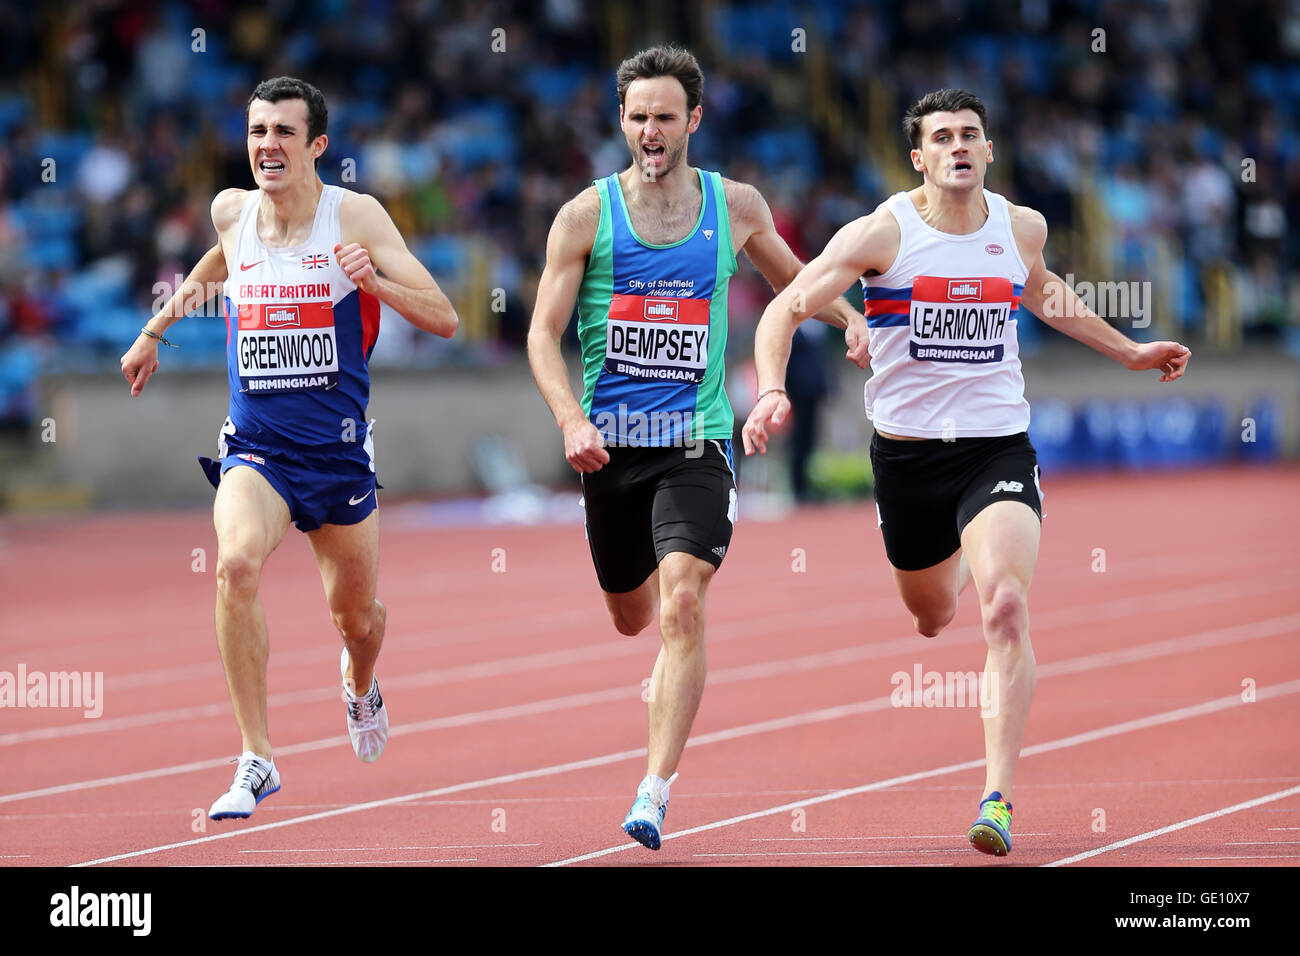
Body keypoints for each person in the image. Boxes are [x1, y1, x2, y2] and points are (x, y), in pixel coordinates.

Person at [742, 88, 1190, 856]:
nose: (957, 146)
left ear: (988, 151)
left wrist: (1131, 349)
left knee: (1005, 608)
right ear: (919, 157)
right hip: (908, 457)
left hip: (995, 447)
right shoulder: (883, 231)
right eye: (942, 136)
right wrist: (773, 388)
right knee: (931, 615)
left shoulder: (1021, 227)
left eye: (970, 135)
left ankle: (996, 798)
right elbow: (783, 308)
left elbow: (1045, 292)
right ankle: (934, 566)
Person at [527, 44, 868, 850]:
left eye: (665, 117)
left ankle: (653, 789)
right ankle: (658, 667)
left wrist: (850, 319)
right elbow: (542, 335)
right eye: (638, 116)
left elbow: (799, 283)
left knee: (683, 601)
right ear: (622, 120)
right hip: (609, 449)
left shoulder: (737, 205)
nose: (651, 130)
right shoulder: (585, 215)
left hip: (697, 440)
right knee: (629, 615)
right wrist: (570, 418)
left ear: (694, 121)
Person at [119, 76, 458, 820]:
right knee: (235, 564)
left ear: (317, 146)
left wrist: (378, 284)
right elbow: (219, 261)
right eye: (257, 132)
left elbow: (445, 317)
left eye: (283, 133)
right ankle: (256, 756)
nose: (267, 145)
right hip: (258, 450)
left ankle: (359, 681)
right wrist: (155, 331)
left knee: (357, 621)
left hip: (337, 458)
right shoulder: (231, 211)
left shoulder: (356, 217)